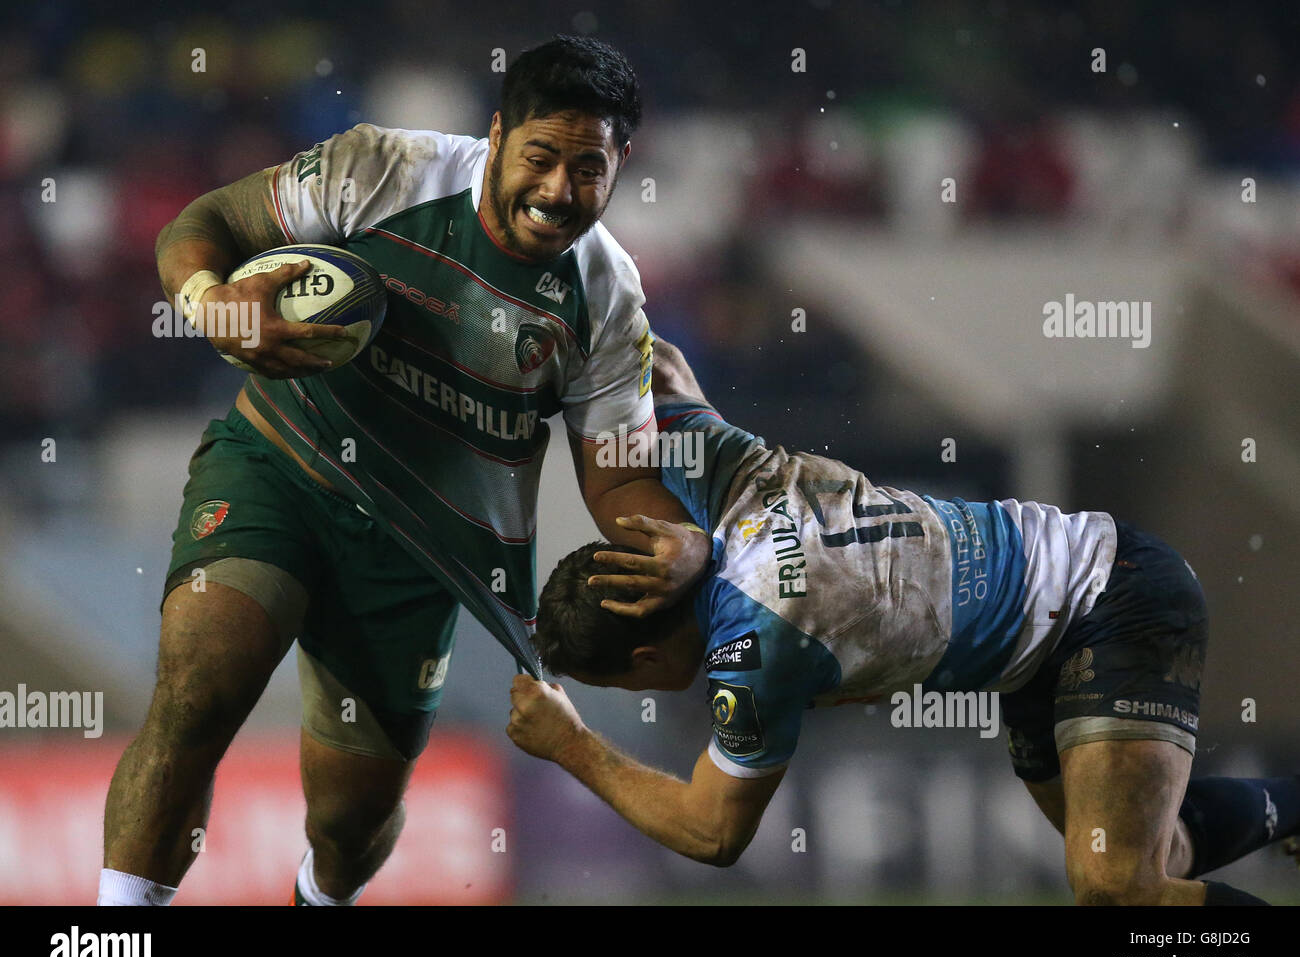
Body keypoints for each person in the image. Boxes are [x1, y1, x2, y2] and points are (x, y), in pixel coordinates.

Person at [100, 36, 709, 907]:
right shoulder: (382, 169)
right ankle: (112, 940)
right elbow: (203, 227)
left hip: (423, 551)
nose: (557, 191)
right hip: (283, 464)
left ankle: (319, 897)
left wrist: (680, 544)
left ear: (621, 166)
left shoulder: (608, 299)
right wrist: (212, 302)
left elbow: (616, 481)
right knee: (199, 689)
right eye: (540, 157)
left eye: (588, 168)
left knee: (351, 821)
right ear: (497, 136)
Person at [508, 338, 1299, 905]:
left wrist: (571, 745)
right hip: (1042, 627)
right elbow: (657, 359)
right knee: (1149, 858)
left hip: (1107, 601)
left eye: (622, 681)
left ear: (645, 658)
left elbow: (713, 834)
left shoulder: (756, 645)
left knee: (1117, 888)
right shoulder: (723, 474)